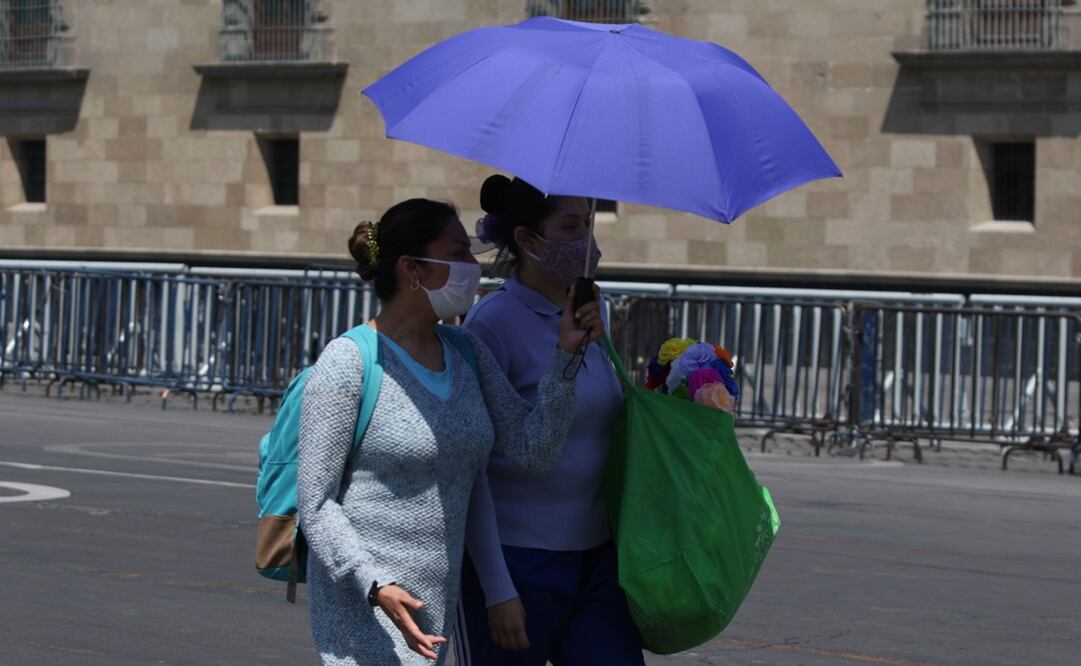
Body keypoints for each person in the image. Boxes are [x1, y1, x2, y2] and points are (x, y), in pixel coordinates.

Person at [296, 198, 604, 666]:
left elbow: (532, 449)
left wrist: (566, 356)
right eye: (458, 253)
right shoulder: (349, 362)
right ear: (411, 269)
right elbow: (316, 505)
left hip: (435, 616)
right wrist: (375, 583)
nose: (472, 268)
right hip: (365, 612)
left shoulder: (467, 352)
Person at [455, 176, 644, 665]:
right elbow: (472, 466)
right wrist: (497, 588)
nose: (587, 241)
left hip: (598, 560)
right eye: (571, 226)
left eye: (588, 223)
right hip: (517, 561)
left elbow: (607, 412)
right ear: (526, 240)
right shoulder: (491, 323)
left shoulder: (593, 308)